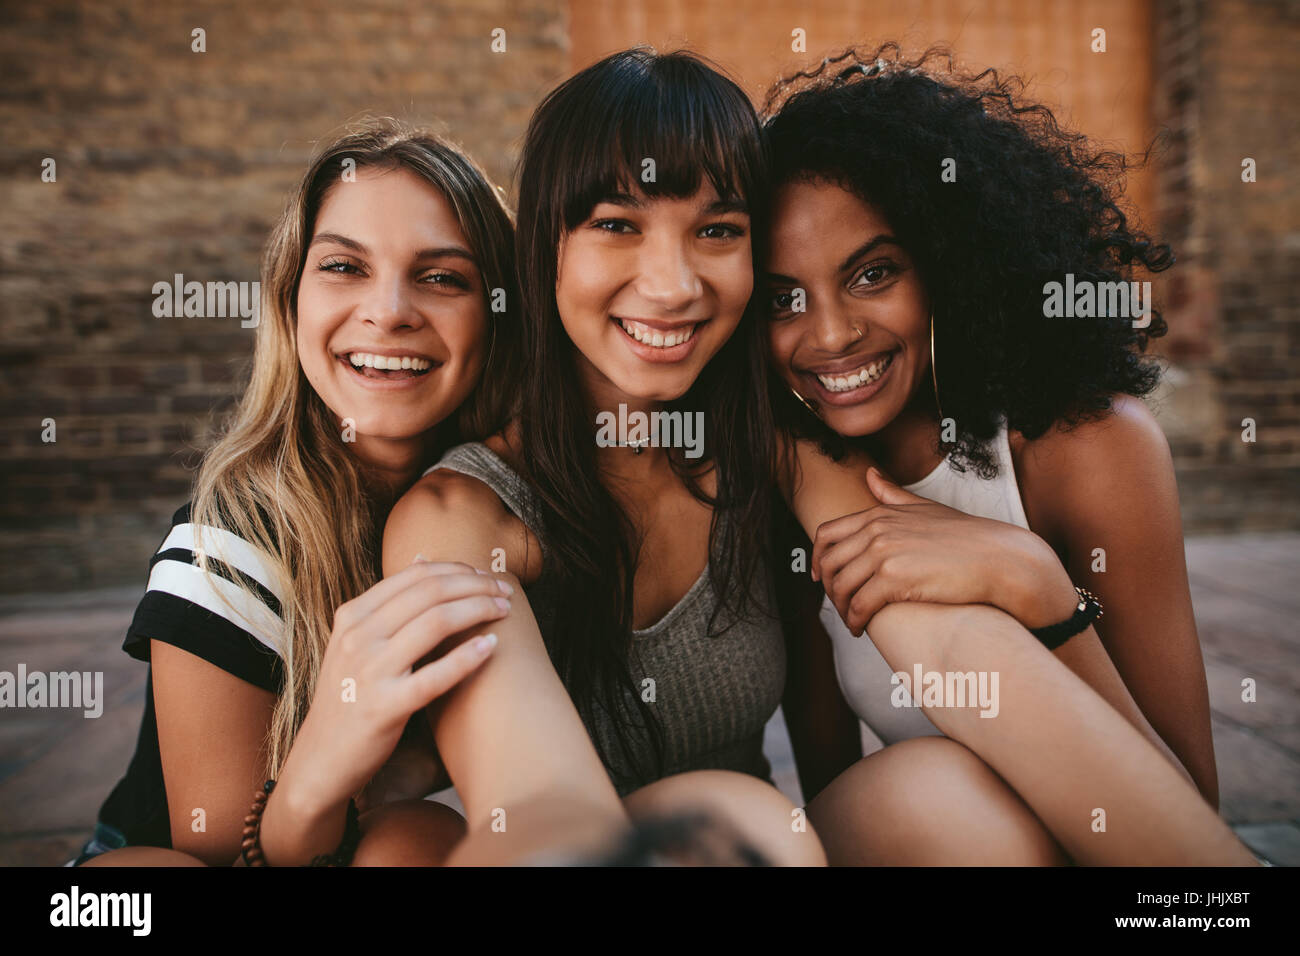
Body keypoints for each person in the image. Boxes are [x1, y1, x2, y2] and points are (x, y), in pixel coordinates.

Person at [760, 44, 1251, 864]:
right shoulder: (797, 472)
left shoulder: (1086, 447)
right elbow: (828, 767)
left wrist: (1038, 587)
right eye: (782, 298)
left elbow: (1185, 814)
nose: (832, 334)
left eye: (874, 274)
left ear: (949, 268)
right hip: (950, 844)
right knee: (933, 788)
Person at [384, 48, 826, 866]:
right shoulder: (459, 518)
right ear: (543, 249)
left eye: (718, 230)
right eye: (617, 225)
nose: (672, 285)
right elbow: (531, 803)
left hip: (772, 848)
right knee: (740, 818)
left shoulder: (769, 450)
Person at [78, 118, 521, 866]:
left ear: (500, 318)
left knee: (420, 843)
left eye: (443, 276)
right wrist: (330, 763)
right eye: (345, 267)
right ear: (289, 302)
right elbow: (218, 846)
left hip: (379, 841)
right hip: (200, 857)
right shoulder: (227, 547)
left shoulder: (503, 515)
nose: (389, 311)